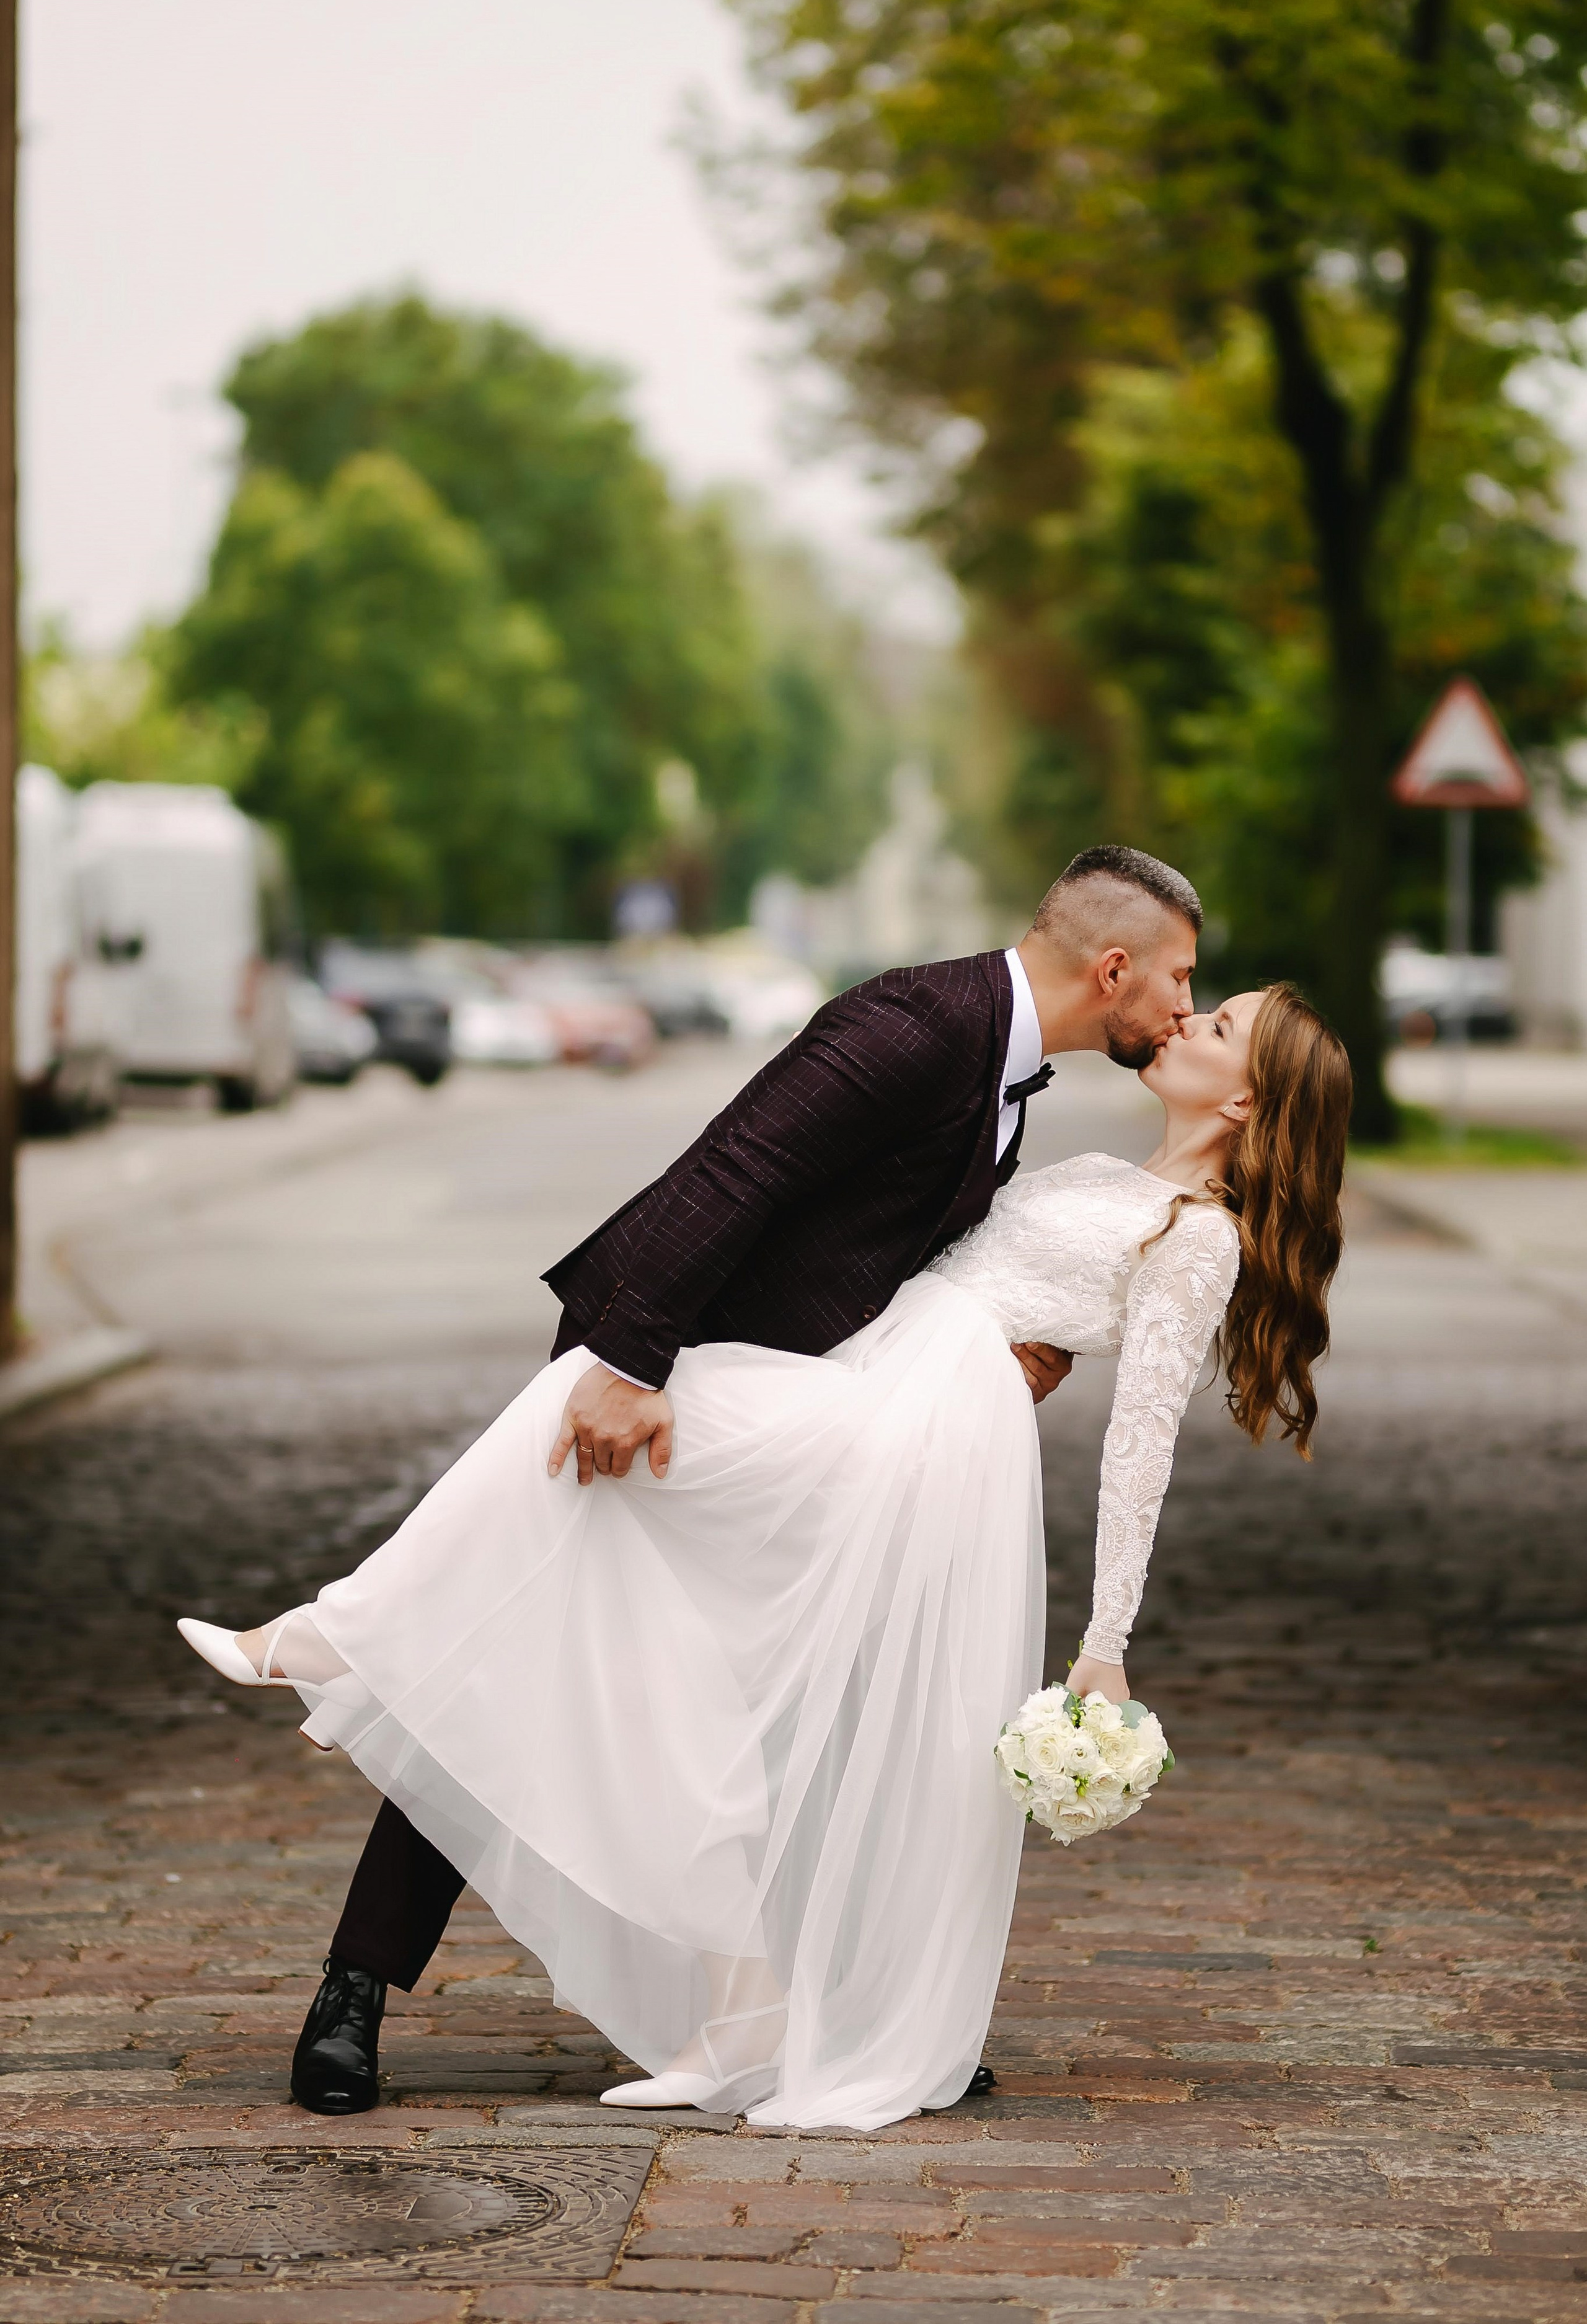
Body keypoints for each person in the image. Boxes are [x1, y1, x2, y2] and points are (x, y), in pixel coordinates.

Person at [179, 853, 1344, 2131]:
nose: (1187, 1007)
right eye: (1186, 983)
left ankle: (772, 2006)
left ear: (1244, 1099)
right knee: (544, 1607)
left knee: (716, 1694)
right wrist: (628, 1360)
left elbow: (1102, 1396)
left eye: (1210, 1011)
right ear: (1110, 967)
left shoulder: (1078, 1135)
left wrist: (1041, 1411)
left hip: (862, 1422)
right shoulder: (921, 1027)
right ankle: (382, 1945)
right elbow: (733, 1171)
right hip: (689, 1357)